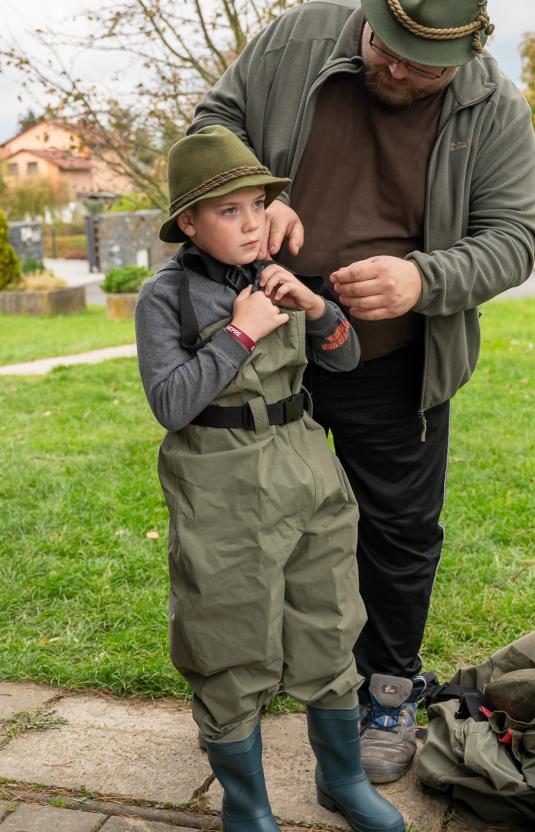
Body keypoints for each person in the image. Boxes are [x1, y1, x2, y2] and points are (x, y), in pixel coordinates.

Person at [186, 0, 535, 783]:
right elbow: (212, 127)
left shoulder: (494, 108)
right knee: (247, 527)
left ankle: (386, 690)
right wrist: (255, 194)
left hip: (394, 357)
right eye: (385, 46)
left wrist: (423, 280)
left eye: (421, 65)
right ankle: (242, 700)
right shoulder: (297, 39)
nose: (393, 68)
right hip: (263, 350)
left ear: (467, 50)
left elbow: (514, 238)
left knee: (395, 533)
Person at [135, 125, 405, 832]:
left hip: (304, 464)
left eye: (257, 205)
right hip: (219, 482)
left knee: (330, 620)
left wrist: (314, 309)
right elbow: (169, 403)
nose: (252, 223)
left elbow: (343, 359)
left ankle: (343, 780)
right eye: (229, 211)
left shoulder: (275, 274)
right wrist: (240, 333)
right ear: (189, 222)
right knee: (228, 634)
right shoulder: (165, 296)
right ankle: (246, 806)